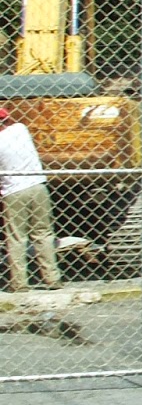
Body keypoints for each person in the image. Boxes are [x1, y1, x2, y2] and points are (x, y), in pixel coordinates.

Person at [0, 107, 62, 292]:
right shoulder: (21, 129)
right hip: (38, 186)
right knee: (43, 233)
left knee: (17, 238)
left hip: (14, 191)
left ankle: (20, 283)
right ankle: (52, 279)